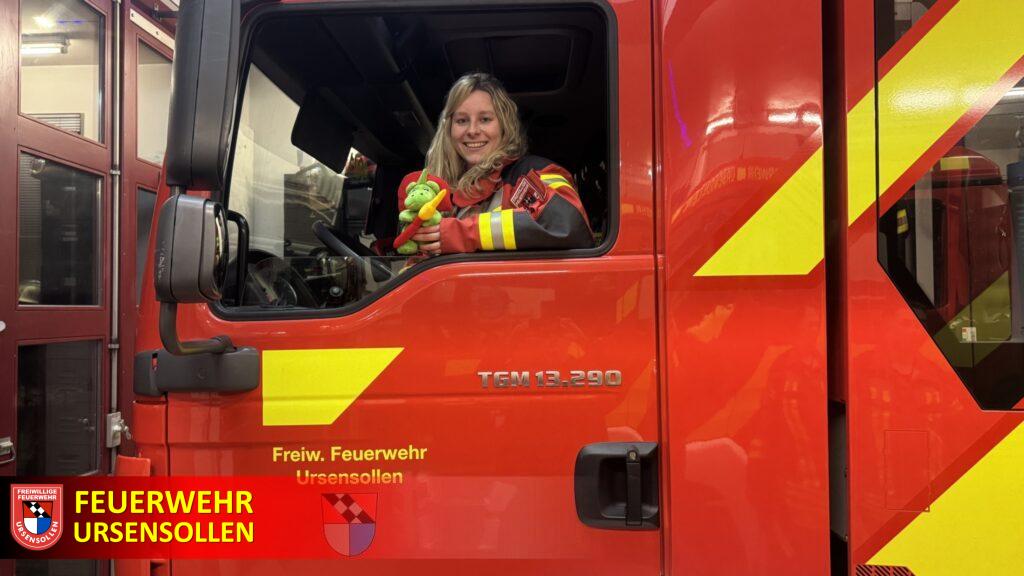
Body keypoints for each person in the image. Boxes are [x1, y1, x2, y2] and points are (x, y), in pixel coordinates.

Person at [400, 72, 593, 254]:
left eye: (485, 119)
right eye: (462, 120)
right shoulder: (440, 194)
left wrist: (464, 234)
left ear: (504, 125)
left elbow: (571, 228)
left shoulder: (532, 173)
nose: (472, 130)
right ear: (449, 129)